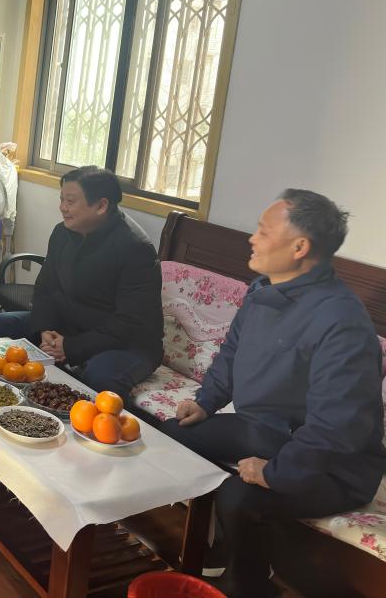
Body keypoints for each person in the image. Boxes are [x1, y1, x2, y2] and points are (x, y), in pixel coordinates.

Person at [161, 190, 386, 598]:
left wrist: (273, 473)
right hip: (268, 430)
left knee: (238, 496)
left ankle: (250, 583)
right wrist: (206, 401)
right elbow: (232, 351)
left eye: (264, 232)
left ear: (299, 247)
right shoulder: (264, 289)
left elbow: (336, 429)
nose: (253, 239)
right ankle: (210, 544)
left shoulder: (341, 323)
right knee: (173, 437)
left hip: (334, 465)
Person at [0, 165, 163, 400]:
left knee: (100, 375)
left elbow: (129, 322)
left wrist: (70, 347)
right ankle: (6, 399)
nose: (62, 207)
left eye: (70, 201)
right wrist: (45, 328)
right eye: (61, 199)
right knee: (2, 325)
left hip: (128, 343)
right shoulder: (62, 233)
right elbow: (46, 288)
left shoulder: (135, 248)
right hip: (72, 326)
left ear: (101, 206)